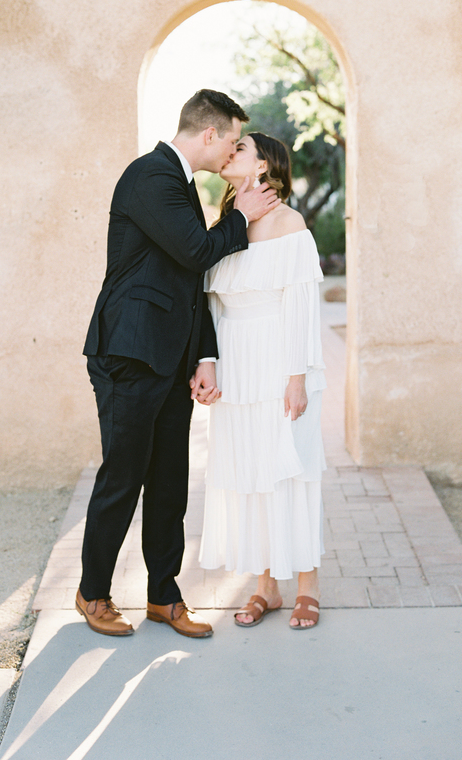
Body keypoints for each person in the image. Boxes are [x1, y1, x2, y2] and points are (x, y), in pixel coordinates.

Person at [78, 91, 280, 638]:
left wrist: (204, 355)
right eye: (233, 141)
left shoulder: (182, 186)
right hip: (128, 353)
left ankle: (163, 598)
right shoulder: (150, 176)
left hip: (168, 360)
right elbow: (196, 252)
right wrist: (240, 217)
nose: (234, 152)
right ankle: (93, 591)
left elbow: (193, 284)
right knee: (123, 477)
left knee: (169, 482)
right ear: (209, 135)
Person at [199, 132, 327, 629]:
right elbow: (209, 303)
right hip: (236, 366)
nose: (230, 152)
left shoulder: (289, 223)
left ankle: (308, 587)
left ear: (265, 166)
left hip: (279, 364)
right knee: (251, 473)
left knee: (291, 470)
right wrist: (205, 363)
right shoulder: (225, 226)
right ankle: (266, 588)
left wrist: (296, 377)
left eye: (242, 148)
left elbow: (300, 304)